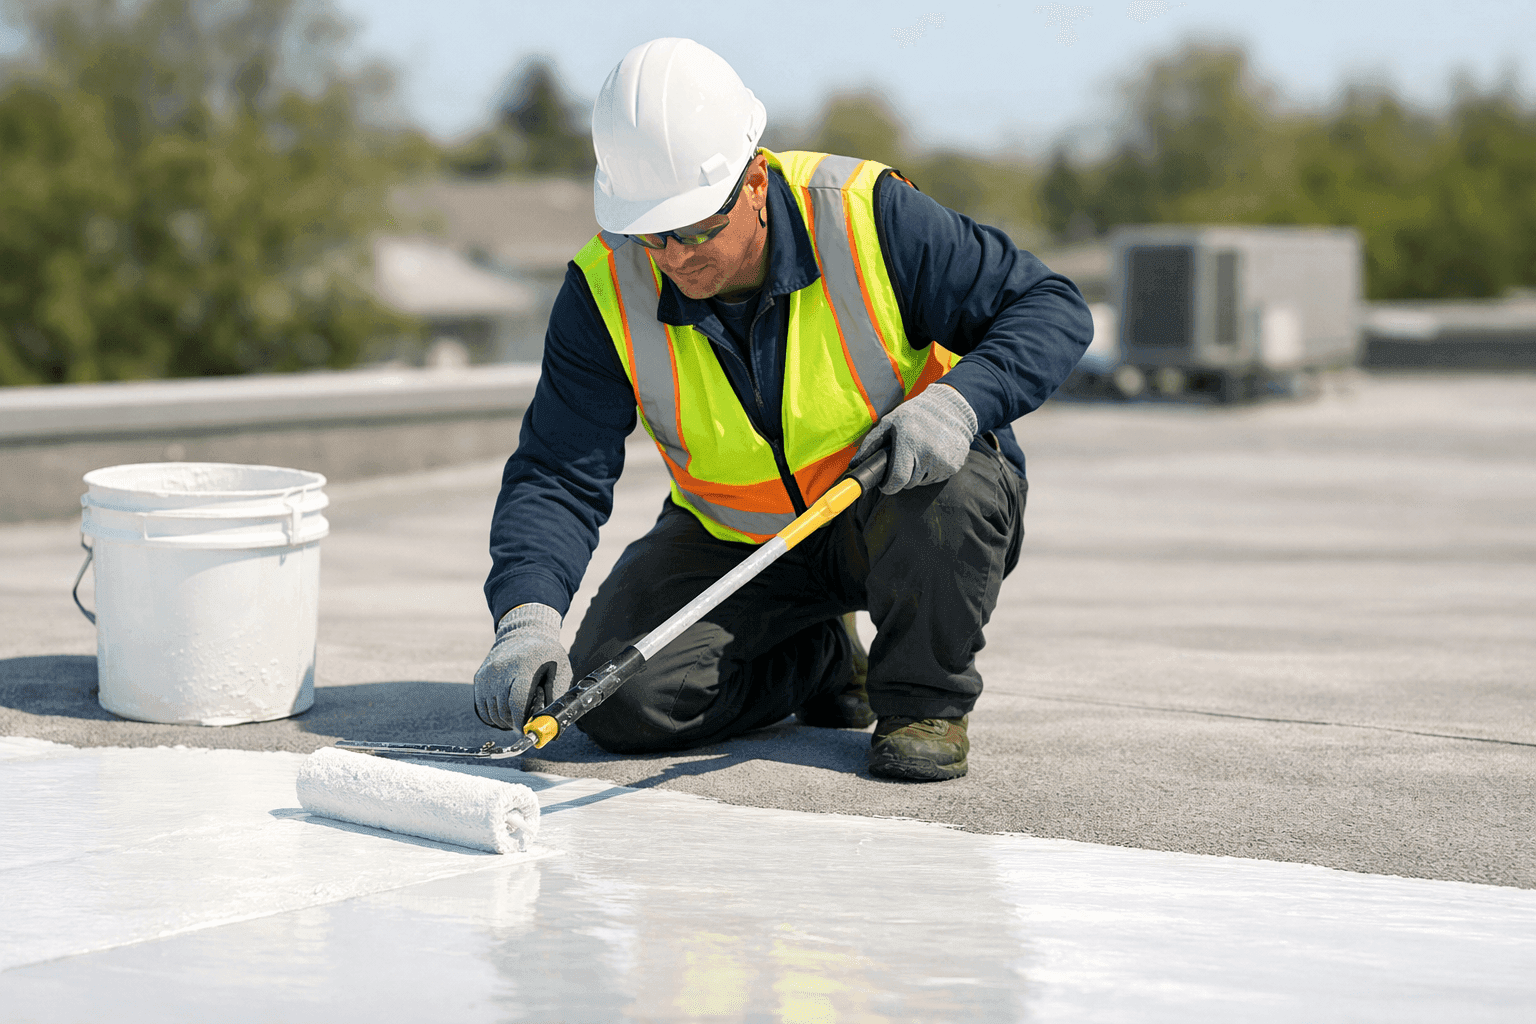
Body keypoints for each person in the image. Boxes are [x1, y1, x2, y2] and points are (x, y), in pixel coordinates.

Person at [475, 37, 1091, 781]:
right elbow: (557, 471)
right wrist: (527, 617)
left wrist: (961, 404)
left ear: (756, 181)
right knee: (619, 703)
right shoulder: (605, 288)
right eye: (649, 232)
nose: (673, 255)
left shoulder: (868, 216)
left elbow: (1049, 305)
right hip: (740, 540)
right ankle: (820, 655)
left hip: (899, 509)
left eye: (697, 225)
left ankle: (921, 699)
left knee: (951, 496)